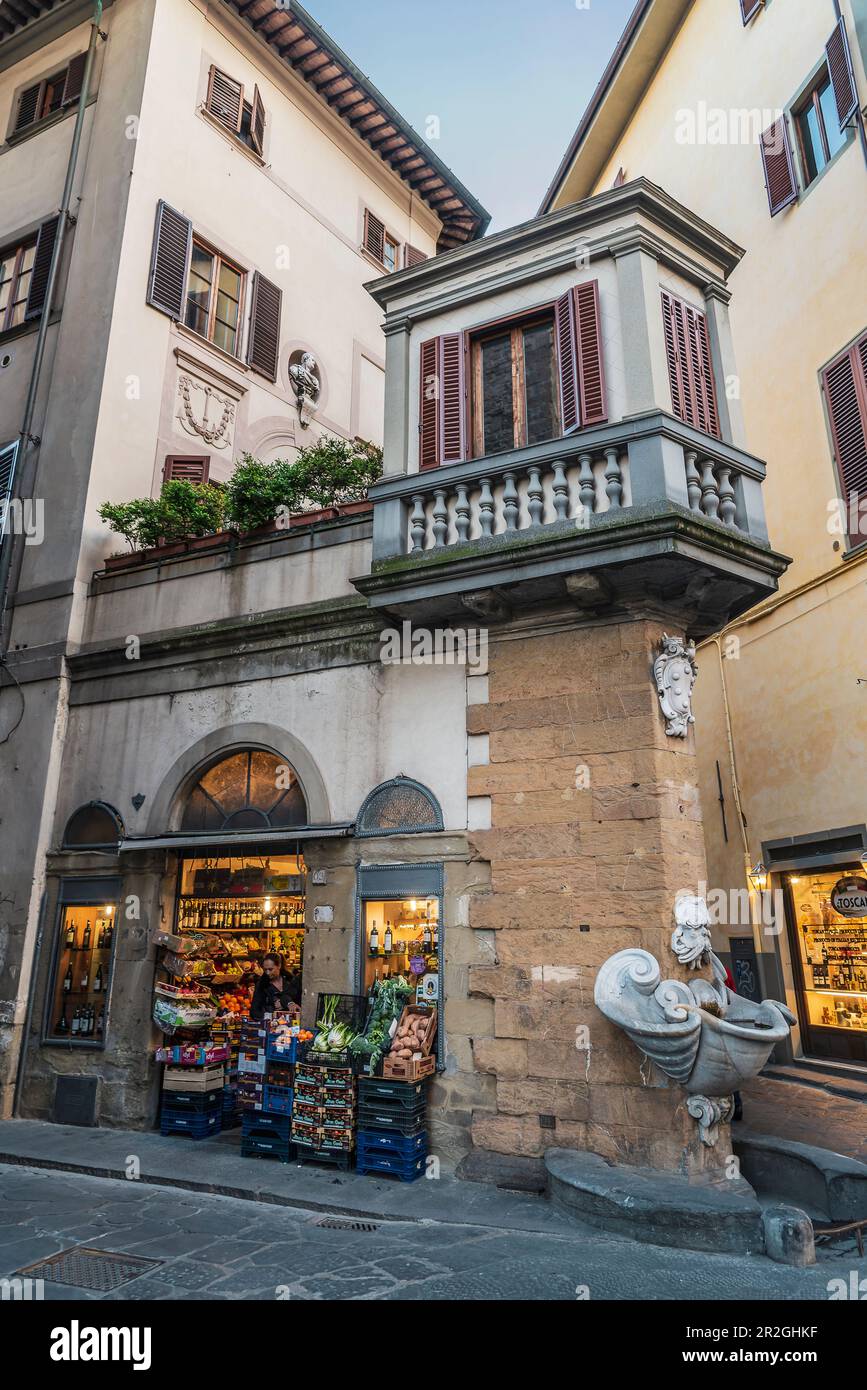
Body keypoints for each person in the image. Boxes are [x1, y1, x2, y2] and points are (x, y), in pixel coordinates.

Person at [250, 952, 300, 1022]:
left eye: (270, 969)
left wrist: (285, 1003)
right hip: (272, 1025)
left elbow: (298, 999)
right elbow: (254, 1011)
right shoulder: (262, 984)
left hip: (294, 1023)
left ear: (279, 966)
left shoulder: (290, 980)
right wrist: (271, 1014)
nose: (267, 973)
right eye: (265, 970)